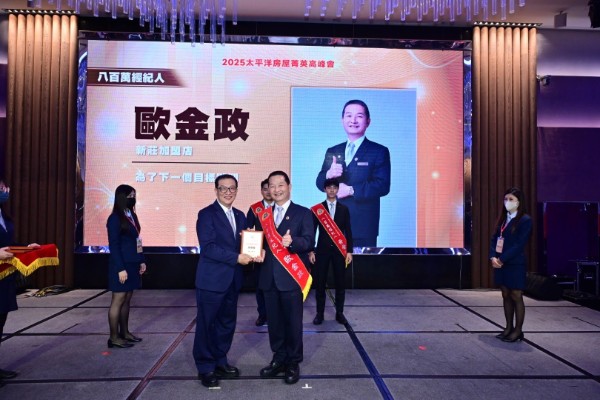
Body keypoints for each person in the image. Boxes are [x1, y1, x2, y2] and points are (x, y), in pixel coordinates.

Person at [253, 171, 314, 385]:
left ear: (289, 187)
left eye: (280, 185)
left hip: (291, 278)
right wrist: (253, 248)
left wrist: (293, 242)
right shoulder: (264, 215)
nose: (276, 189)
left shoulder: (303, 213)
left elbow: (309, 241)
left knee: (293, 323)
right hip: (269, 278)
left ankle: (293, 362)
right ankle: (278, 359)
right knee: (275, 324)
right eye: (272, 186)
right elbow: (261, 244)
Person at [193, 174, 253, 388]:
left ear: (236, 190)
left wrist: (254, 249)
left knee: (227, 324)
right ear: (216, 190)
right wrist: (237, 258)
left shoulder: (240, 215)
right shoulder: (206, 214)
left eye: (232, 188)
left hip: (232, 280)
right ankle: (205, 367)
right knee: (207, 324)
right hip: (211, 280)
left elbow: (244, 245)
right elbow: (208, 248)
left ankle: (220, 361)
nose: (228, 192)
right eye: (223, 188)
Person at [316, 99, 391, 247]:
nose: (353, 120)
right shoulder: (333, 150)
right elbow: (319, 182)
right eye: (349, 115)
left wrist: (351, 190)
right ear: (342, 120)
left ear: (368, 121)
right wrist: (328, 175)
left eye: (359, 116)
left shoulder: (379, 151)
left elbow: (382, 185)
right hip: (334, 224)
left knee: (362, 263)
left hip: (363, 227)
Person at [0, 177, 39, 385]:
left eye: (5, 187)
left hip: (4, 278)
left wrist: (26, 248)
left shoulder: (4, 216)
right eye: (1, 188)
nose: (5, 191)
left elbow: (10, 244)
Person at [489, 187, 532, 343]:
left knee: (516, 295)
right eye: (506, 199)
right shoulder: (503, 219)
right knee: (505, 294)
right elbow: (494, 239)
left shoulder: (525, 220)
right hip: (500, 263)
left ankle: (518, 330)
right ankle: (508, 327)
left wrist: (502, 259)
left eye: (511, 199)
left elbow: (519, 245)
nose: (507, 202)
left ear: (519, 202)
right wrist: (493, 256)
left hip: (514, 263)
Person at [106, 184, 147, 349]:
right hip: (121, 265)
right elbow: (114, 245)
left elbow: (137, 240)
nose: (133, 198)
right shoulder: (114, 218)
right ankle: (113, 337)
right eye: (130, 196)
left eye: (134, 196)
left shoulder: (131, 215)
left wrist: (141, 260)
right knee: (118, 299)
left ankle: (125, 332)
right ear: (122, 197)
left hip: (133, 263)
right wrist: (120, 269)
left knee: (127, 299)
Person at [309, 178, 353, 325]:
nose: (332, 190)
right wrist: (311, 251)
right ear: (325, 189)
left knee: (340, 283)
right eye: (329, 187)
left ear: (338, 189)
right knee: (320, 283)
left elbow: (348, 231)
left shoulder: (344, 209)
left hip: (340, 252)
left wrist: (349, 251)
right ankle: (319, 314)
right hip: (322, 252)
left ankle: (339, 313)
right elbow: (312, 232)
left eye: (334, 187)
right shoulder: (318, 209)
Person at [246, 179, 273, 326]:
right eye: (265, 189)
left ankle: (275, 315)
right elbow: (248, 229)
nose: (268, 192)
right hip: (259, 255)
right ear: (261, 191)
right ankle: (262, 314)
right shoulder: (254, 209)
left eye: (270, 188)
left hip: (278, 254)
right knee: (260, 286)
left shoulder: (280, 207)